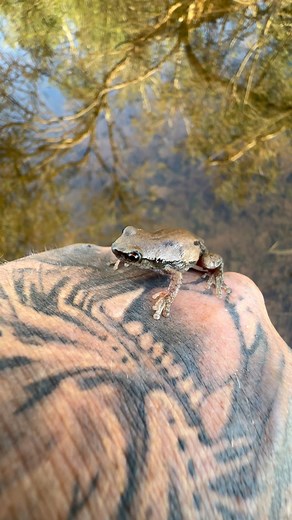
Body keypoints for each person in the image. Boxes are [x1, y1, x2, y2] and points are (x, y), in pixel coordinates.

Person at [0, 244, 291, 519]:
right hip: (161, 247)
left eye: (135, 256)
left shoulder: (167, 266)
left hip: (183, 253)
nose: (124, 254)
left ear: (148, 259)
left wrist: (175, 294)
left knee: (212, 264)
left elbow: (176, 274)